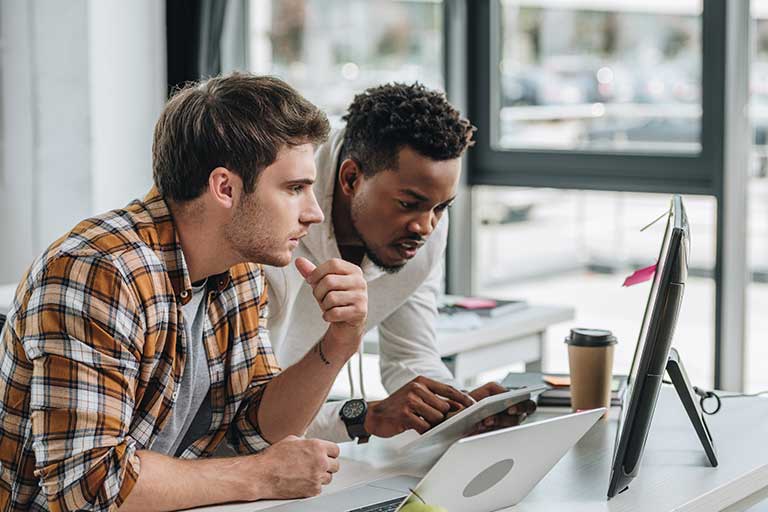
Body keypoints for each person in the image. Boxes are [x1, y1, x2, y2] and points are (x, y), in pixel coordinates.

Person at [0, 73, 368, 511]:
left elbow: (252, 427)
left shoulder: (240, 272)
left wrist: (339, 343)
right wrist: (263, 475)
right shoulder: (99, 271)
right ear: (225, 188)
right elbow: (87, 487)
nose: (313, 213)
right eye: (294, 189)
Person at [265, 82, 536, 444]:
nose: (425, 227)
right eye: (408, 204)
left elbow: (410, 356)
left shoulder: (424, 222)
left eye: (441, 207)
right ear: (350, 178)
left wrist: (458, 409)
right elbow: (247, 416)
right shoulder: (273, 222)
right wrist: (367, 416)